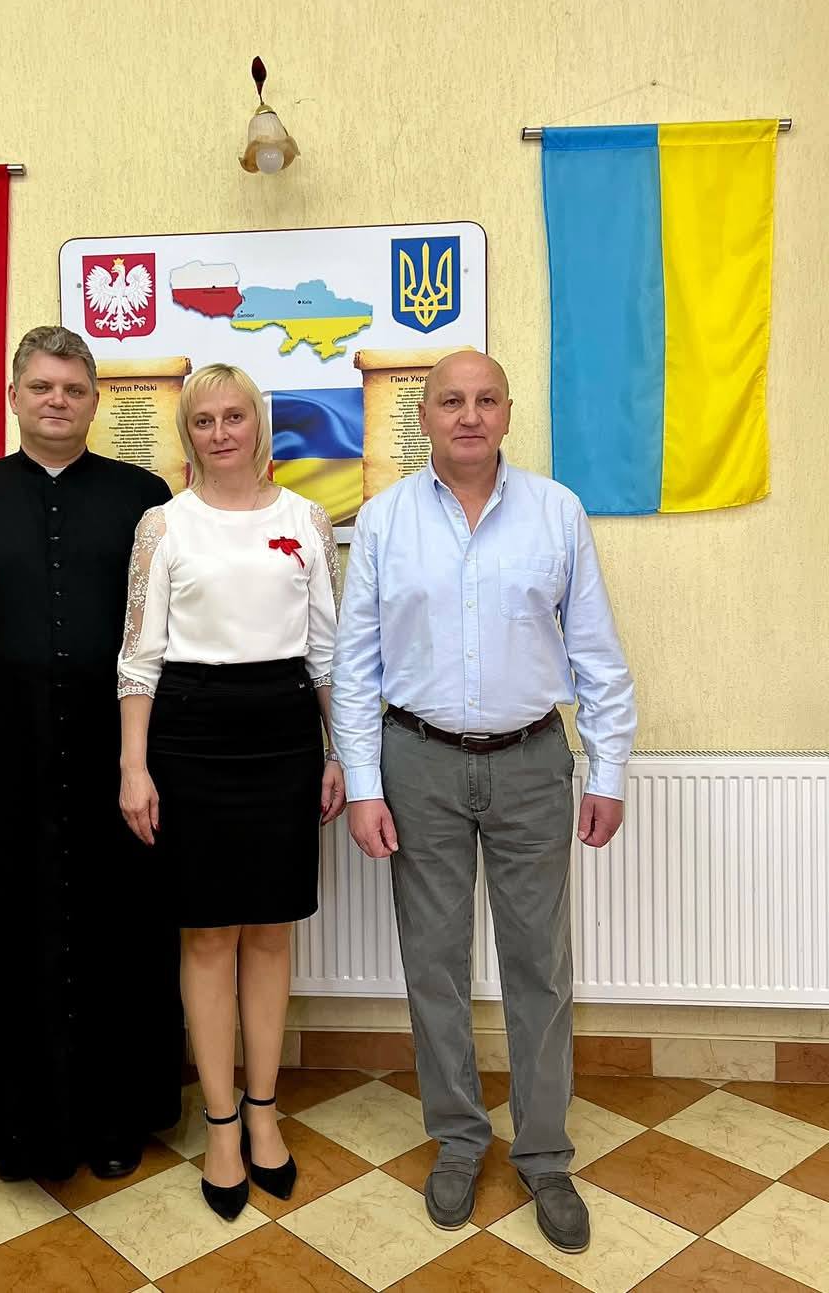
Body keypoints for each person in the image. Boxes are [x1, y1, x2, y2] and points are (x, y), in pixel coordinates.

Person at [331, 350, 635, 1252]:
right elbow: (356, 667)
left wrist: (608, 769)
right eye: (451, 401)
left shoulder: (557, 512)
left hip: (532, 762)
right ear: (423, 415)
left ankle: (544, 1153)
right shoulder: (384, 520)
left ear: (508, 412)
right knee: (433, 961)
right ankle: (459, 1139)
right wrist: (364, 784)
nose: (469, 415)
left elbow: (596, 652)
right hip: (416, 761)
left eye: (486, 399)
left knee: (540, 963)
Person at [0, 325, 183, 1183]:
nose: (57, 401)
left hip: (117, 758)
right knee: (11, 938)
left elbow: (164, 629)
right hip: (4, 761)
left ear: (95, 400)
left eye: (73, 388)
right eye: (41, 387)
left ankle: (117, 1116)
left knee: (119, 940)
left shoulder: (144, 497)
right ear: (14, 397)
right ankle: (18, 1127)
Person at [117, 363, 345, 1219]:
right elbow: (138, 659)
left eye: (234, 415)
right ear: (188, 432)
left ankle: (263, 1112)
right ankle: (220, 1124)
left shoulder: (308, 521)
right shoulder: (163, 525)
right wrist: (133, 766)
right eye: (204, 419)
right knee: (209, 935)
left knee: (270, 932)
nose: (221, 432)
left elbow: (326, 653)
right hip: (190, 736)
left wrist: (342, 753)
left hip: (284, 735)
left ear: (260, 424)